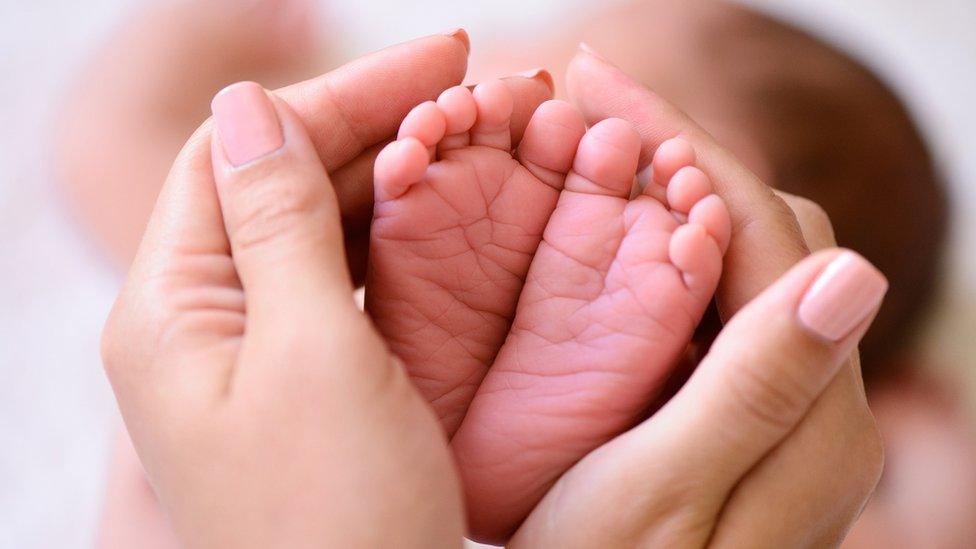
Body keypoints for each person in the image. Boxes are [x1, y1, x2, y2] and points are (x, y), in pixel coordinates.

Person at [100, 32, 886, 548]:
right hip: (324, 481)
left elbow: (110, 145)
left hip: (247, 449)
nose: (526, 44)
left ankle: (441, 393)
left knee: (159, 464)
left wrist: (189, 40)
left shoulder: (257, 220)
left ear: (714, 152)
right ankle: (540, 424)